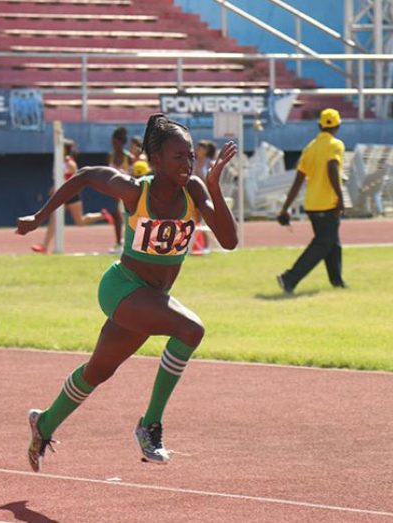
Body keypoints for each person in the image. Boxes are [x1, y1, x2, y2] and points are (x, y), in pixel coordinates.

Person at [15, 113, 238, 472]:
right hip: (122, 288)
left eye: (190, 156)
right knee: (190, 330)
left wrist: (213, 186)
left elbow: (229, 240)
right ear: (157, 159)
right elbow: (86, 176)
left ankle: (44, 423)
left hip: (152, 298)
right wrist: (40, 217)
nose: (187, 163)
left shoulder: (195, 190)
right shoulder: (137, 191)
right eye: (178, 157)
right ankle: (150, 425)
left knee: (98, 371)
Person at [276, 108, 346, 294]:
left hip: (312, 204)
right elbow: (332, 167)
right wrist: (340, 197)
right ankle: (289, 277)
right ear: (338, 126)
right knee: (323, 244)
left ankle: (337, 281)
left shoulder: (310, 148)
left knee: (332, 242)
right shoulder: (336, 145)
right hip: (328, 203)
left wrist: (285, 208)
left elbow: (298, 180)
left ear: (319, 125)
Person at [31, 139, 111, 254]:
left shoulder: (70, 163)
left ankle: (102, 215)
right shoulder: (59, 162)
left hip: (71, 195)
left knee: (80, 221)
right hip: (61, 195)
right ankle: (44, 246)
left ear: (65, 149)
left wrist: (65, 188)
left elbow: (77, 179)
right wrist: (54, 187)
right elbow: (59, 178)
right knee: (54, 219)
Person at [106, 127, 133, 252]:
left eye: (115, 142)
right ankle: (118, 243)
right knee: (116, 216)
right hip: (114, 191)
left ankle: (129, 243)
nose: (113, 144)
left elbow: (134, 176)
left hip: (127, 191)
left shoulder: (129, 157)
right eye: (113, 142)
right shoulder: (110, 156)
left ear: (121, 142)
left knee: (128, 216)